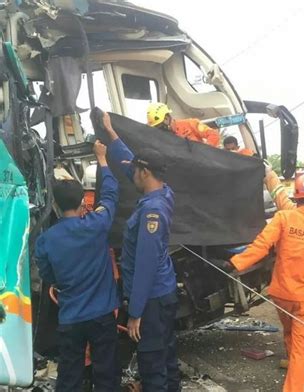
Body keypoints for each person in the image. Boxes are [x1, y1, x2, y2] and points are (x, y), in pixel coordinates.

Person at [229, 174, 304, 392]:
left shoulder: (283, 218)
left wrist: (236, 263)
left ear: (296, 196)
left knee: (290, 335)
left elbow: (262, 245)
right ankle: (295, 387)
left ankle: (300, 378)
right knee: (301, 348)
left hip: (281, 294)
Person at [103, 112, 181, 391]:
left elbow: (145, 268)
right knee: (167, 356)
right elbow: (129, 167)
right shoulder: (163, 192)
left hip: (152, 299)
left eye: (136, 170)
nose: (131, 173)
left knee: (153, 366)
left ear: (145, 172)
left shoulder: (152, 212)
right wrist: (112, 135)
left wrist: (135, 313)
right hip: (163, 293)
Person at [34, 141, 120, 391]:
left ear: (56, 206)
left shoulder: (45, 240)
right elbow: (111, 195)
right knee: (107, 372)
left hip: (71, 316)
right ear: (83, 201)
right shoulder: (97, 225)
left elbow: (48, 275)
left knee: (69, 374)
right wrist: (102, 159)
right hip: (102, 315)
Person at [146, 102, 220, 147]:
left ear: (166, 118)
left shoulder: (190, 123)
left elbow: (213, 135)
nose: (160, 130)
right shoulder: (161, 139)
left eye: (160, 126)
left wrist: (204, 150)